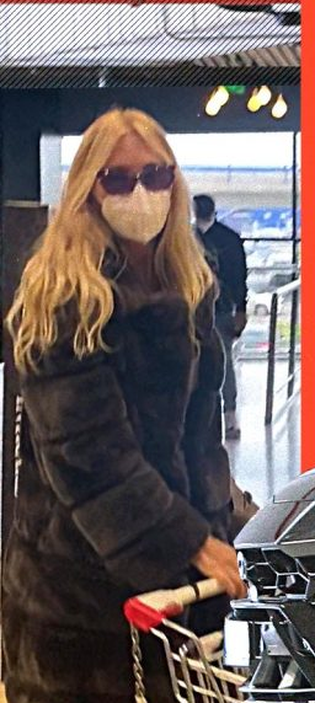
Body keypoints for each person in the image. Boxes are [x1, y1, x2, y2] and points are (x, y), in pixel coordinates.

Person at [2, 108, 247, 703]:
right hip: (77, 599)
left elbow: (200, 439)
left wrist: (227, 520)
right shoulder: (64, 296)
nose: (141, 193)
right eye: (118, 178)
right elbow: (89, 455)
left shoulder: (188, 285)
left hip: (175, 594)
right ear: (88, 189)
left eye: (156, 175)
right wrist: (192, 541)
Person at [193, 193, 248, 439]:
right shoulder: (226, 238)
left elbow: (239, 277)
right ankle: (219, 418)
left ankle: (228, 415)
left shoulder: (189, 239)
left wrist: (241, 309)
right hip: (199, 310)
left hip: (218, 309)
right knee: (214, 363)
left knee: (221, 362)